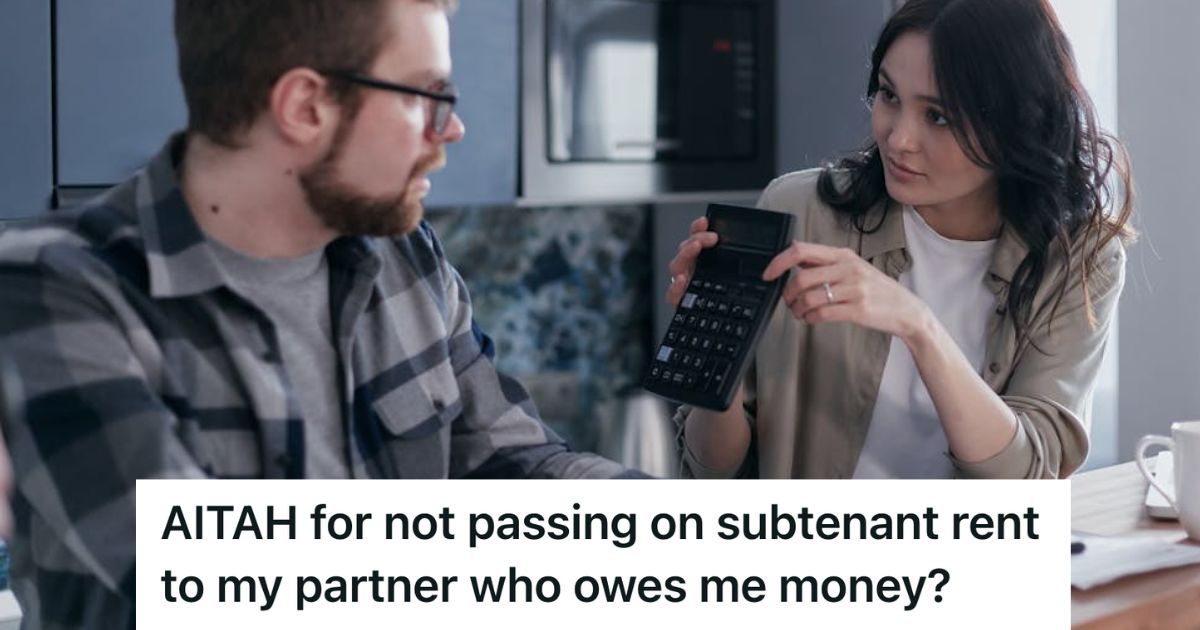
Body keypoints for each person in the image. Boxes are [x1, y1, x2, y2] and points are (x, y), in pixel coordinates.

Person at [0, 0, 643, 626]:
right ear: (306, 106)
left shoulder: (401, 253)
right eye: (426, 96)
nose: (450, 129)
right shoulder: (59, 287)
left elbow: (513, 465)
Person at [668, 0, 1133, 480]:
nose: (899, 139)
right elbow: (711, 472)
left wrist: (918, 326)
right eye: (890, 96)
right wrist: (713, 351)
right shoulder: (800, 212)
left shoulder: (1081, 257)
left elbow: (1028, 477)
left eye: (939, 117)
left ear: (1018, 122)